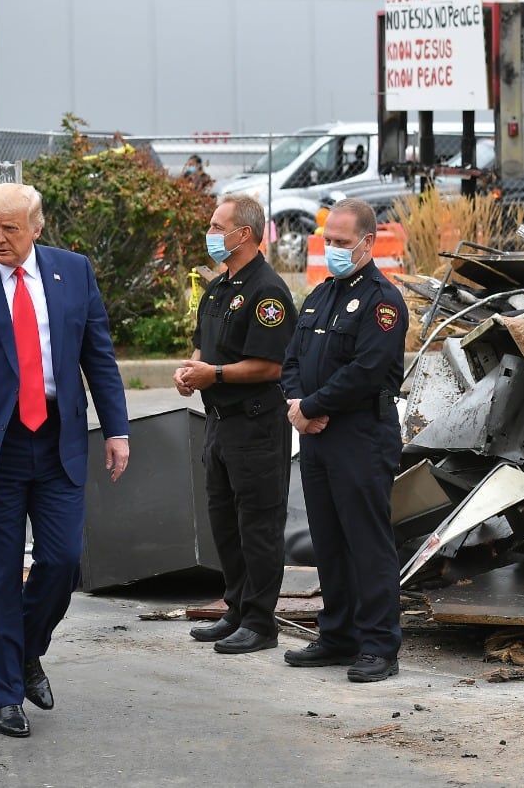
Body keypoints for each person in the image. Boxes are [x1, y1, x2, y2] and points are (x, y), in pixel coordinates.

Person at [0, 182, 131, 739]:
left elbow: (98, 356)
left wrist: (116, 429)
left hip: (58, 439)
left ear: (36, 228)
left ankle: (25, 652)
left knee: (62, 561)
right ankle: (5, 694)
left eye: (10, 228)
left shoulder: (73, 272)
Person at [280, 197, 406, 683]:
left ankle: (378, 645)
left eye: (341, 242)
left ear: (368, 243)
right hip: (316, 437)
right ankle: (338, 635)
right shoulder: (320, 295)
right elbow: (292, 359)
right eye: (327, 241)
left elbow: (367, 370)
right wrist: (296, 405)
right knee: (328, 541)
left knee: (367, 544)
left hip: (360, 435)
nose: (332, 249)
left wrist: (311, 407)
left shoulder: (382, 301)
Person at [175, 194, 295, 654]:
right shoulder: (219, 286)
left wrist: (216, 375)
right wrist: (191, 371)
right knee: (224, 521)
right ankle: (238, 608)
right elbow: (204, 347)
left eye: (216, 226)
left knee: (258, 525)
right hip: (219, 424)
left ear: (242, 234)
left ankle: (261, 623)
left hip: (256, 426)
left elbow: (271, 366)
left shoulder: (268, 292)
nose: (210, 234)